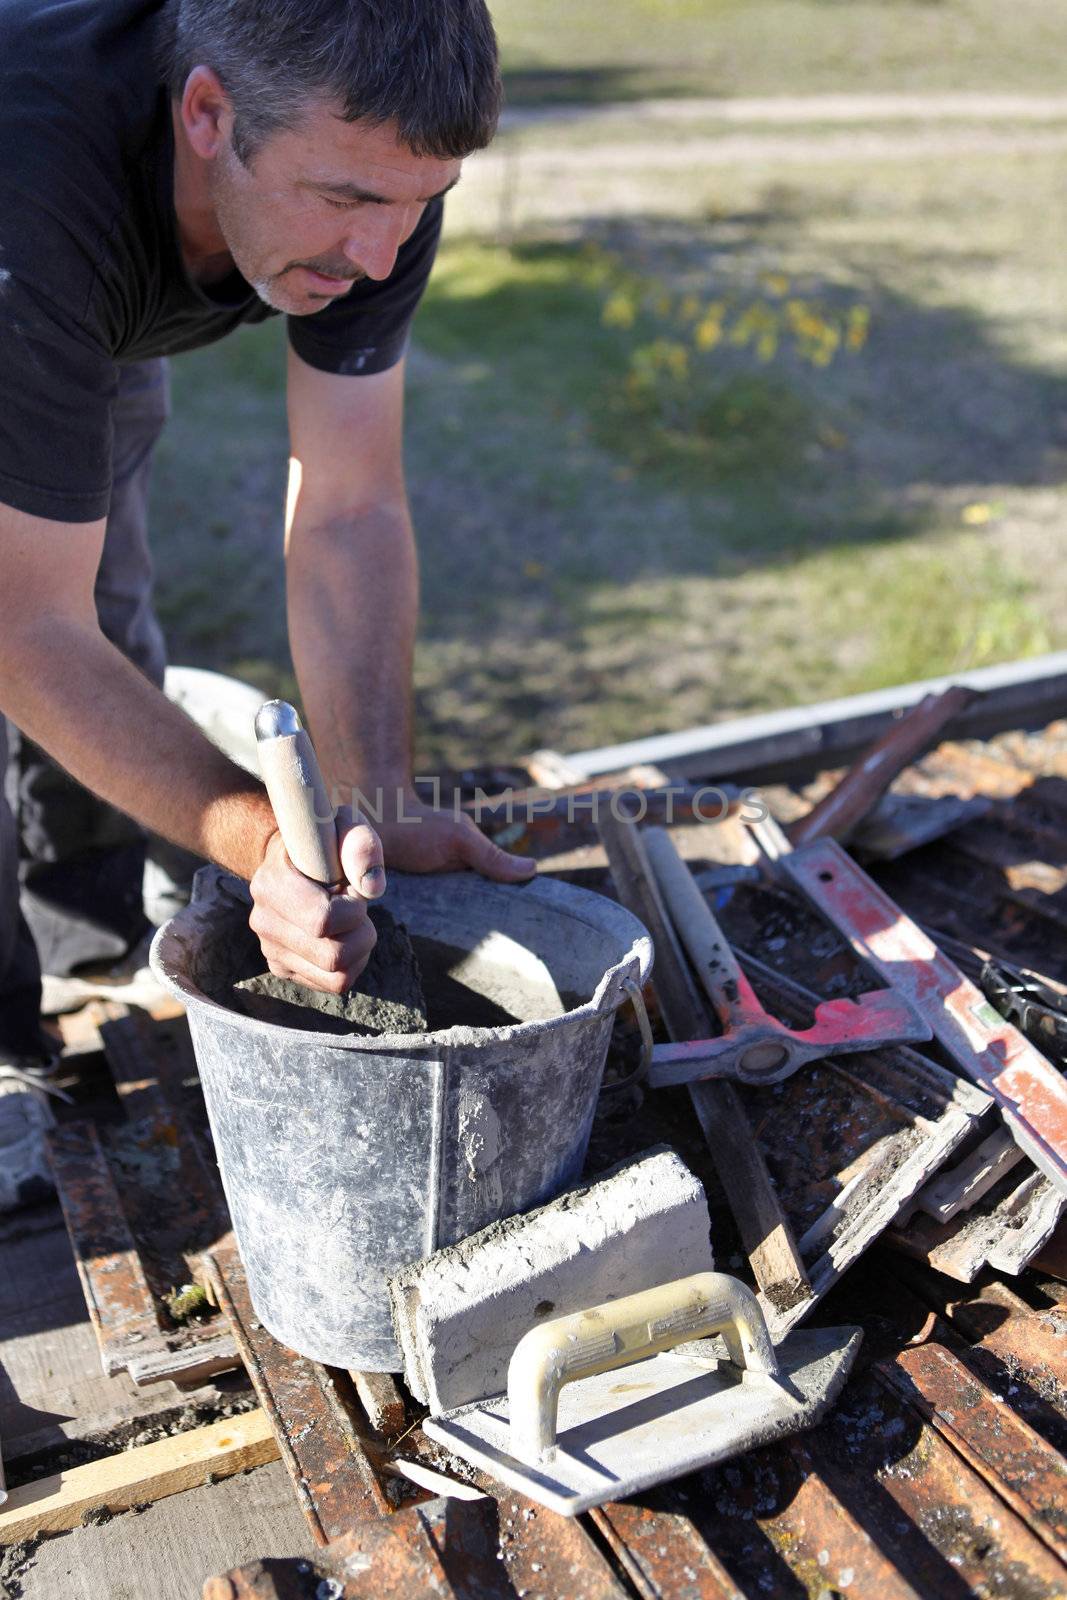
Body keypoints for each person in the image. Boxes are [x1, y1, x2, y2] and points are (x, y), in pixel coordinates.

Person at [0, 0, 536, 1209]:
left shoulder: (375, 158)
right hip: (27, 237)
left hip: (86, 282)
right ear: (206, 112)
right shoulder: (33, 186)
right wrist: (257, 841)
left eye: (422, 200)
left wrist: (380, 802)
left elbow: (346, 506)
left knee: (104, 603)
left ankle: (83, 932)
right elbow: (21, 630)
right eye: (346, 201)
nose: (384, 258)